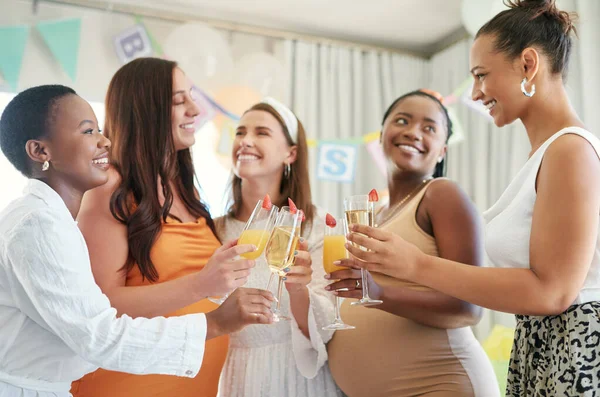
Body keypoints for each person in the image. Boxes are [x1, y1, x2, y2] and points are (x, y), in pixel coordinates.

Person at [339, 1, 600, 395]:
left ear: (528, 65)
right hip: (543, 348)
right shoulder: (543, 156)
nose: (476, 93)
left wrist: (417, 266)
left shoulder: (570, 150)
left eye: (481, 75)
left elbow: (553, 292)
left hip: (575, 353)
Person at [0, 85, 273, 397]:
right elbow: (100, 335)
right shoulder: (38, 226)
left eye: (99, 129)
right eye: (88, 131)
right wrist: (214, 323)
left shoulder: (52, 220)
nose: (104, 141)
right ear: (40, 152)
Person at [69, 58, 276, 397]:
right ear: (144, 110)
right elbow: (99, 307)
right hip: (127, 385)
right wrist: (201, 284)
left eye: (191, 96)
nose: (196, 109)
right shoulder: (110, 187)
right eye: (180, 100)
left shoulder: (186, 190)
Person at [326, 90, 499, 396]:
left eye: (429, 127)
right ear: (382, 136)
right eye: (402, 120)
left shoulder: (441, 194)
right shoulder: (374, 212)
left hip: (440, 384)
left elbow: (468, 308)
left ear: (442, 150)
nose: (412, 132)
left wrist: (379, 293)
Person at [215, 98, 341, 396]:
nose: (245, 141)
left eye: (261, 133)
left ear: (291, 153)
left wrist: (298, 289)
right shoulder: (214, 229)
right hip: (236, 377)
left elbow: (323, 330)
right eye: (240, 132)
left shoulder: (317, 224)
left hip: (300, 378)